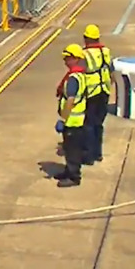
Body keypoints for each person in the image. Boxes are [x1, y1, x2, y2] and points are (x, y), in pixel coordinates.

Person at [55, 44, 90, 187]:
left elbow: (70, 100)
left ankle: (74, 177)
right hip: (77, 120)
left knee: (72, 150)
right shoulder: (80, 75)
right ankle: (69, 171)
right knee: (70, 148)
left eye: (67, 58)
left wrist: (63, 119)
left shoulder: (73, 79)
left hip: (73, 121)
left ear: (75, 59)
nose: (65, 60)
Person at [81, 24, 114, 163]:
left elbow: (80, 72)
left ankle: (88, 156)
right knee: (99, 123)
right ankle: (98, 153)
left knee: (88, 124)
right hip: (104, 91)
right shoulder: (106, 51)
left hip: (91, 92)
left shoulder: (84, 54)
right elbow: (111, 71)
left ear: (86, 38)